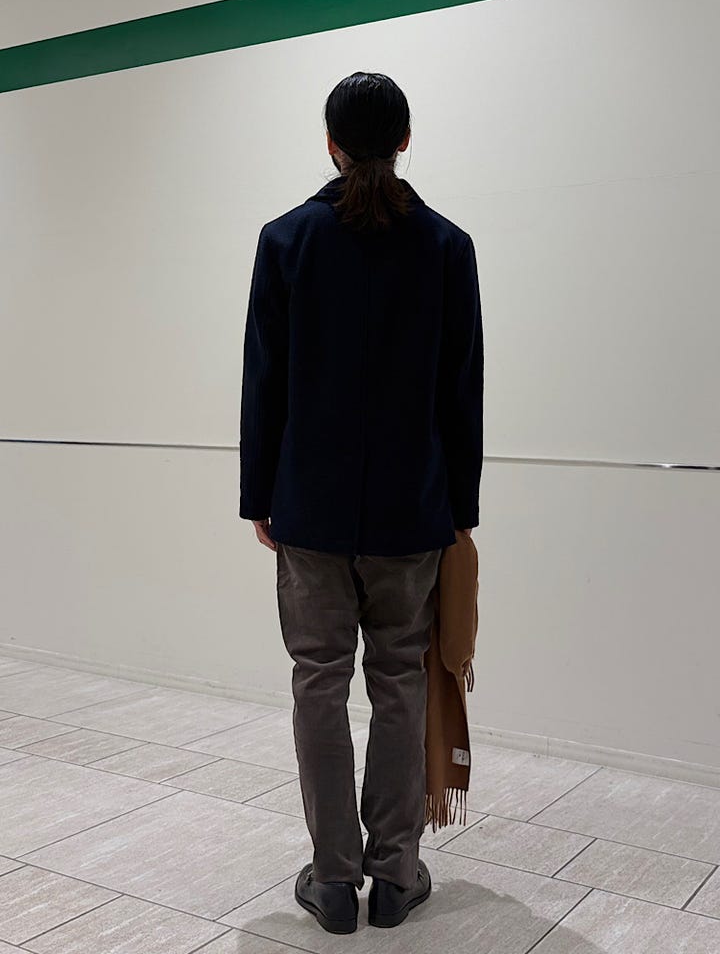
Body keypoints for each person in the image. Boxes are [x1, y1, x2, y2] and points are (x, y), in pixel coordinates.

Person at [239, 71, 483, 933]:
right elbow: (461, 392)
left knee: (318, 682)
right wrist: (460, 511)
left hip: (309, 509)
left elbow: (265, 381)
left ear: (331, 144)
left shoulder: (285, 240)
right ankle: (397, 874)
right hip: (412, 514)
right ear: (405, 140)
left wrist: (258, 496)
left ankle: (336, 882)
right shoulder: (447, 246)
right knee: (398, 682)